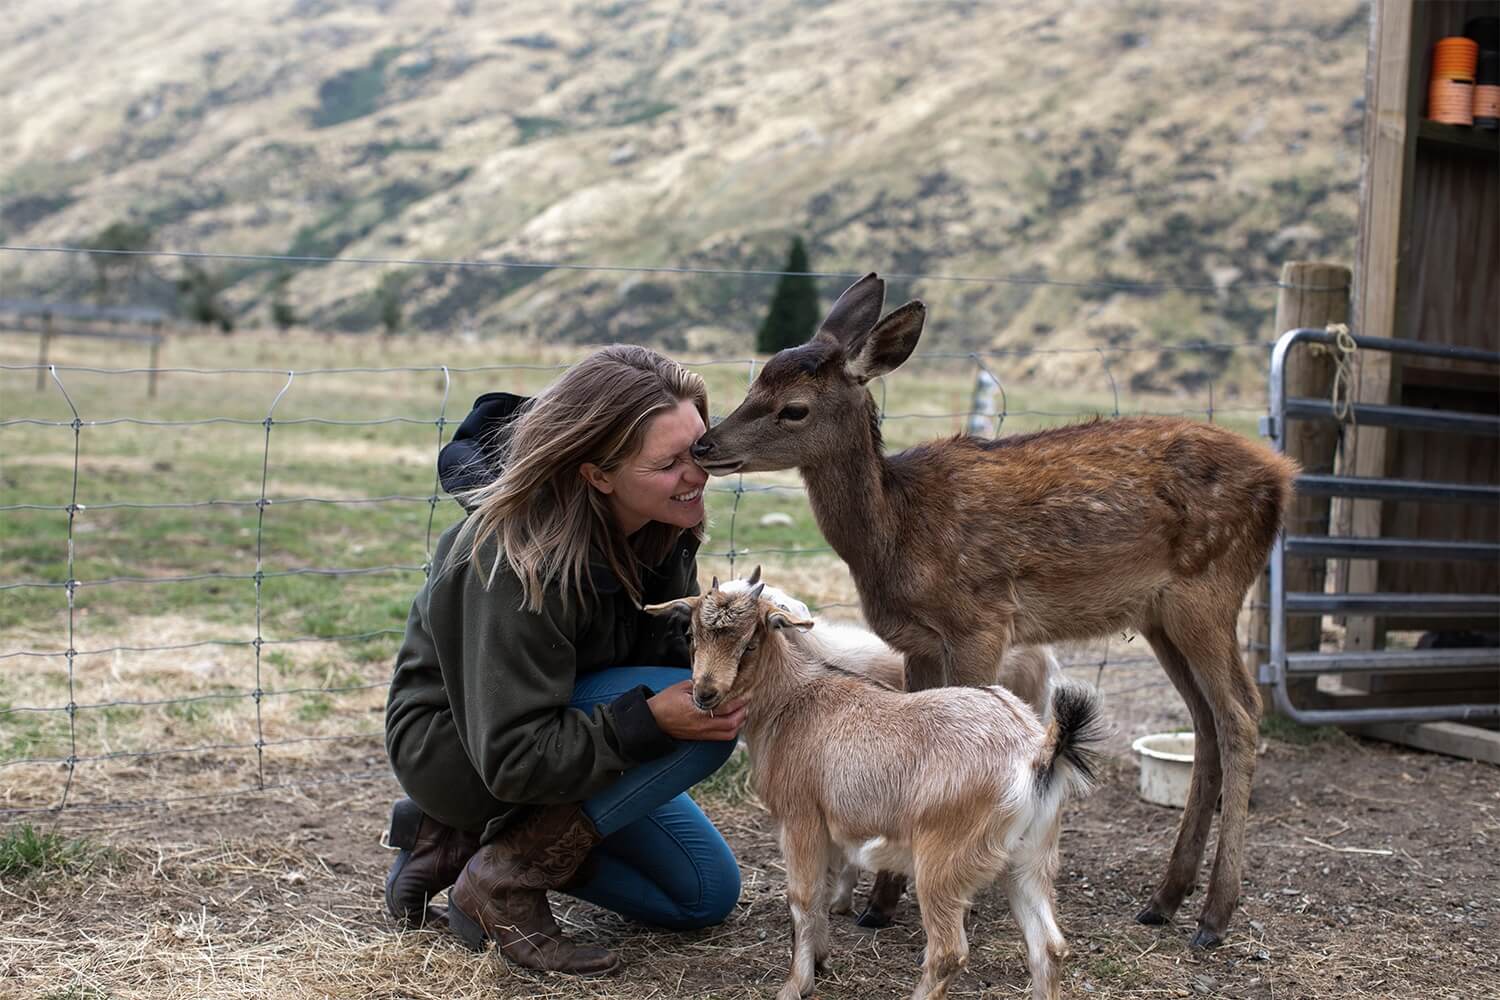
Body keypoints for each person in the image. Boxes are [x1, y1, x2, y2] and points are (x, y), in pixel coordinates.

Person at [382, 345, 745, 977]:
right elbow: (514, 755)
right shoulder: (510, 555)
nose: (699, 473)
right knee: (702, 717)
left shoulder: (660, 523)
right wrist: (649, 722)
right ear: (596, 474)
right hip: (466, 750)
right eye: (669, 463)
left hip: (567, 717)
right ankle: (499, 879)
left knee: (699, 896)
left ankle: (459, 840)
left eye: (701, 448)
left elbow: (652, 649)